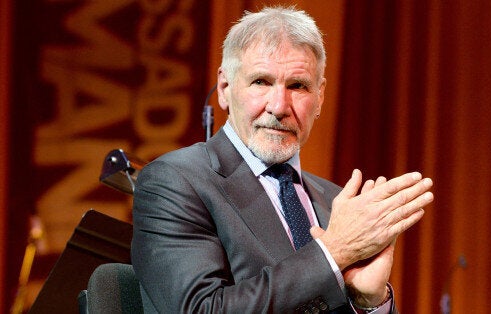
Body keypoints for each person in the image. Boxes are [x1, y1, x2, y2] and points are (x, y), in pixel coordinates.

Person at [131, 6, 434, 313]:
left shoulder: (336, 203)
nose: (279, 106)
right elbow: (201, 309)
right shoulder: (176, 181)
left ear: (320, 97)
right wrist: (333, 252)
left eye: (297, 86)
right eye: (261, 82)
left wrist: (371, 301)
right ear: (224, 88)